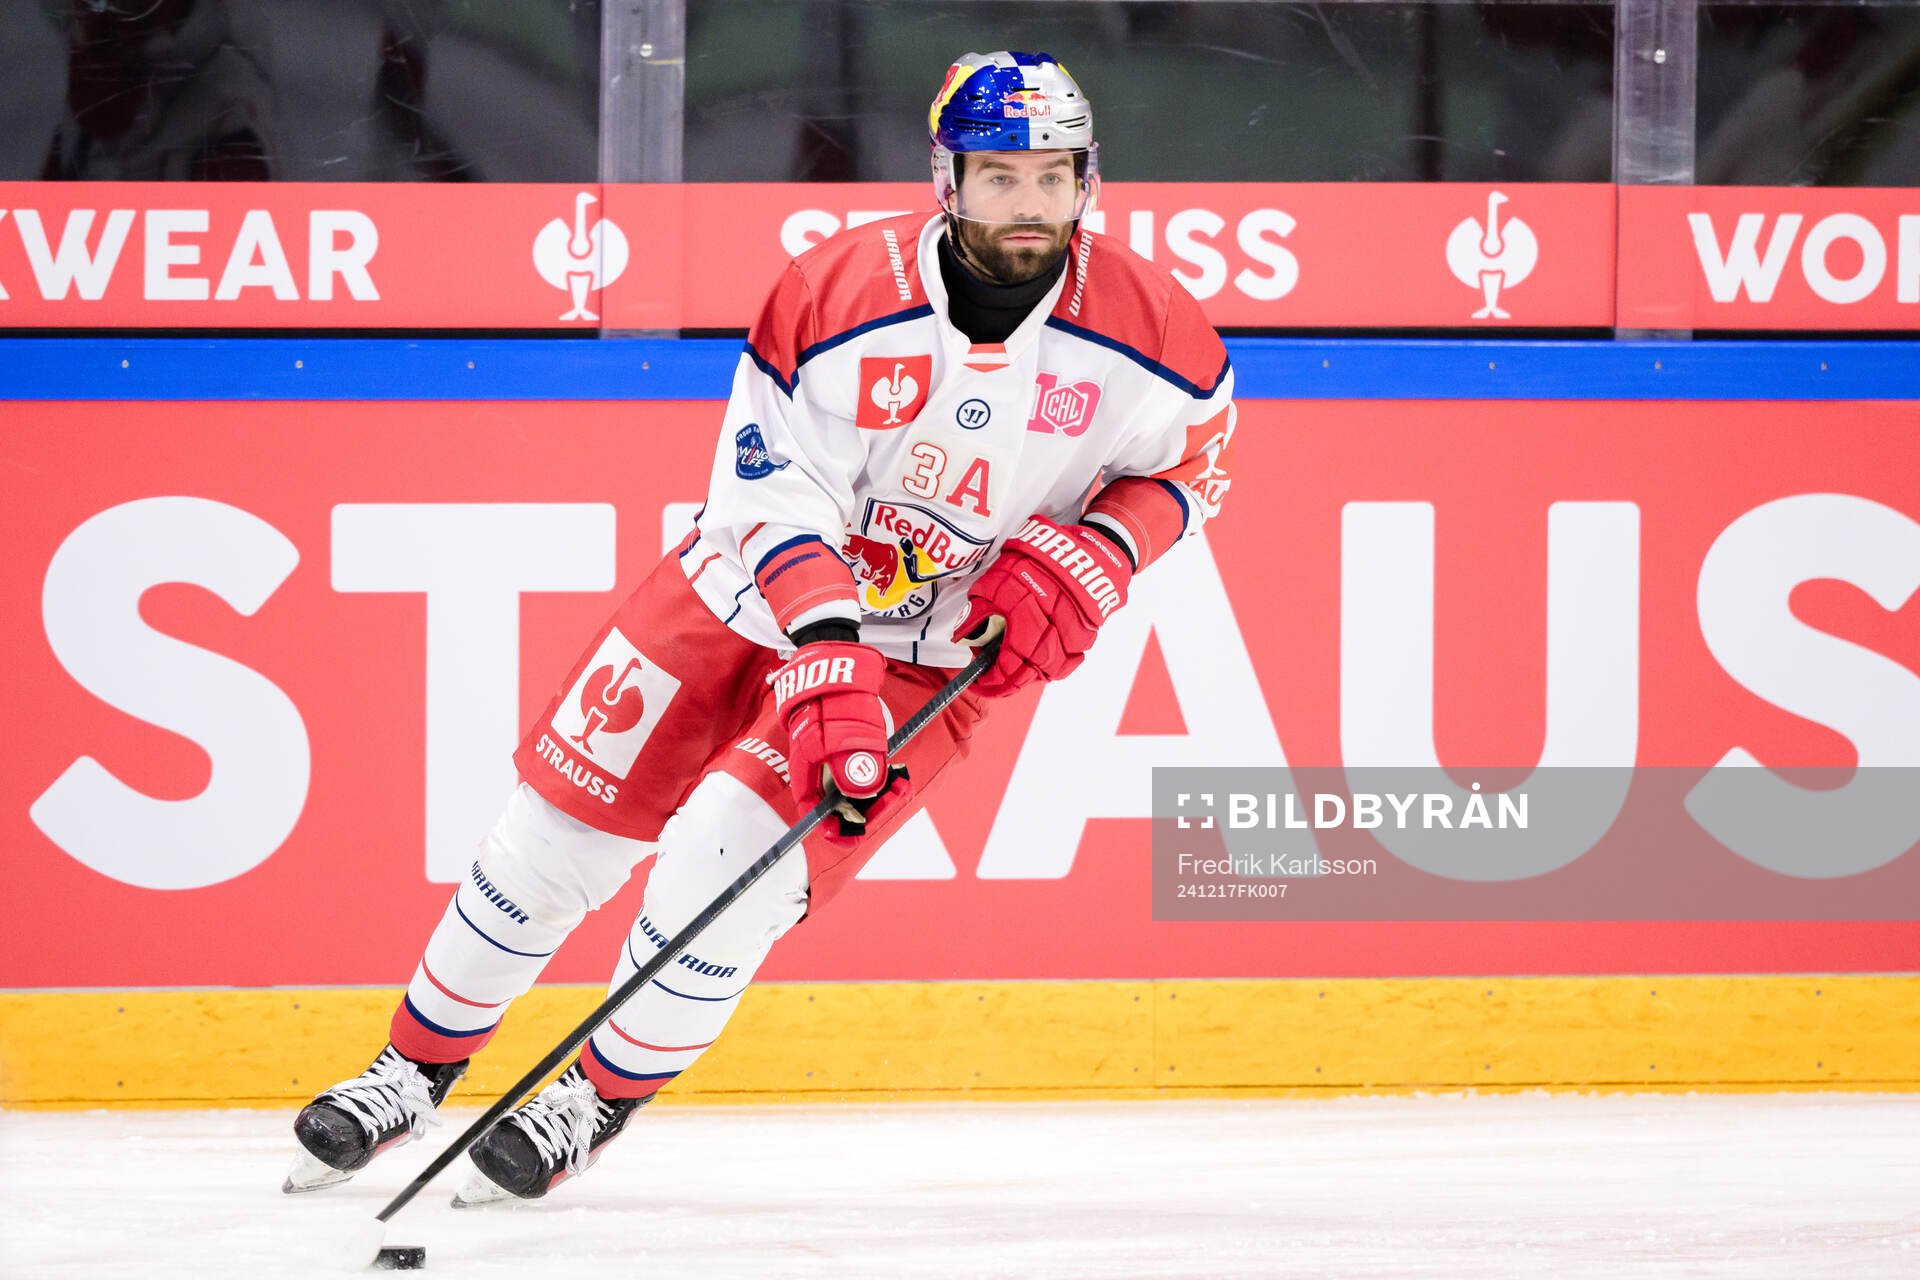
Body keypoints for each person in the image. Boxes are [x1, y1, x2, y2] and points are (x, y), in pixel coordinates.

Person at [283, 49, 1236, 1204]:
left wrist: (1099, 550)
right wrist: (825, 644)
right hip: (733, 596)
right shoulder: (838, 293)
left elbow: (1191, 466)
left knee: (723, 877)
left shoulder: (1156, 333)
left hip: (923, 657)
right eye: (1000, 177)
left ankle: (594, 1098)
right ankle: (408, 1070)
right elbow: (769, 491)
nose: (1029, 204)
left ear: (1090, 181)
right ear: (947, 180)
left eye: (1053, 176)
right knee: (553, 836)